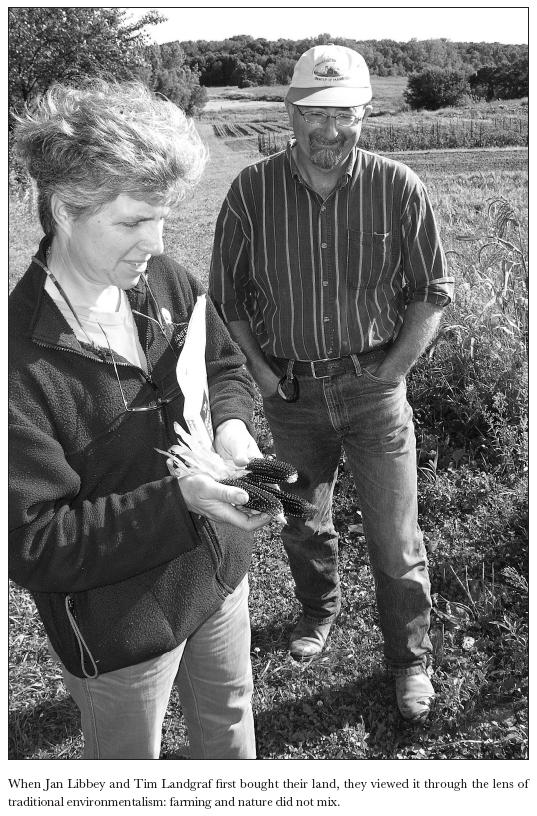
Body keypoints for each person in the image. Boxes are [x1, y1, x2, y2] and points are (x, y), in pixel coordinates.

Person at [8, 79, 274, 760]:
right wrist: (181, 499)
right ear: (65, 210)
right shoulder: (17, 364)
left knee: (230, 732)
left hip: (217, 574)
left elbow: (222, 367)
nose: (153, 244)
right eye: (131, 222)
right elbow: (34, 545)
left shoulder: (166, 282)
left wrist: (232, 428)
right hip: (118, 624)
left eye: (162, 218)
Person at [209, 44, 454, 723]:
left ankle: (409, 661)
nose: (328, 130)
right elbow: (228, 297)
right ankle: (318, 612)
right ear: (289, 112)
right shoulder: (251, 190)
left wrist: (394, 370)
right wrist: (260, 374)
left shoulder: (398, 186)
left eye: (343, 114)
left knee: (395, 539)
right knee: (302, 521)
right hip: (292, 393)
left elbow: (431, 290)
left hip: (374, 392)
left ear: (364, 114)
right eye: (313, 113)